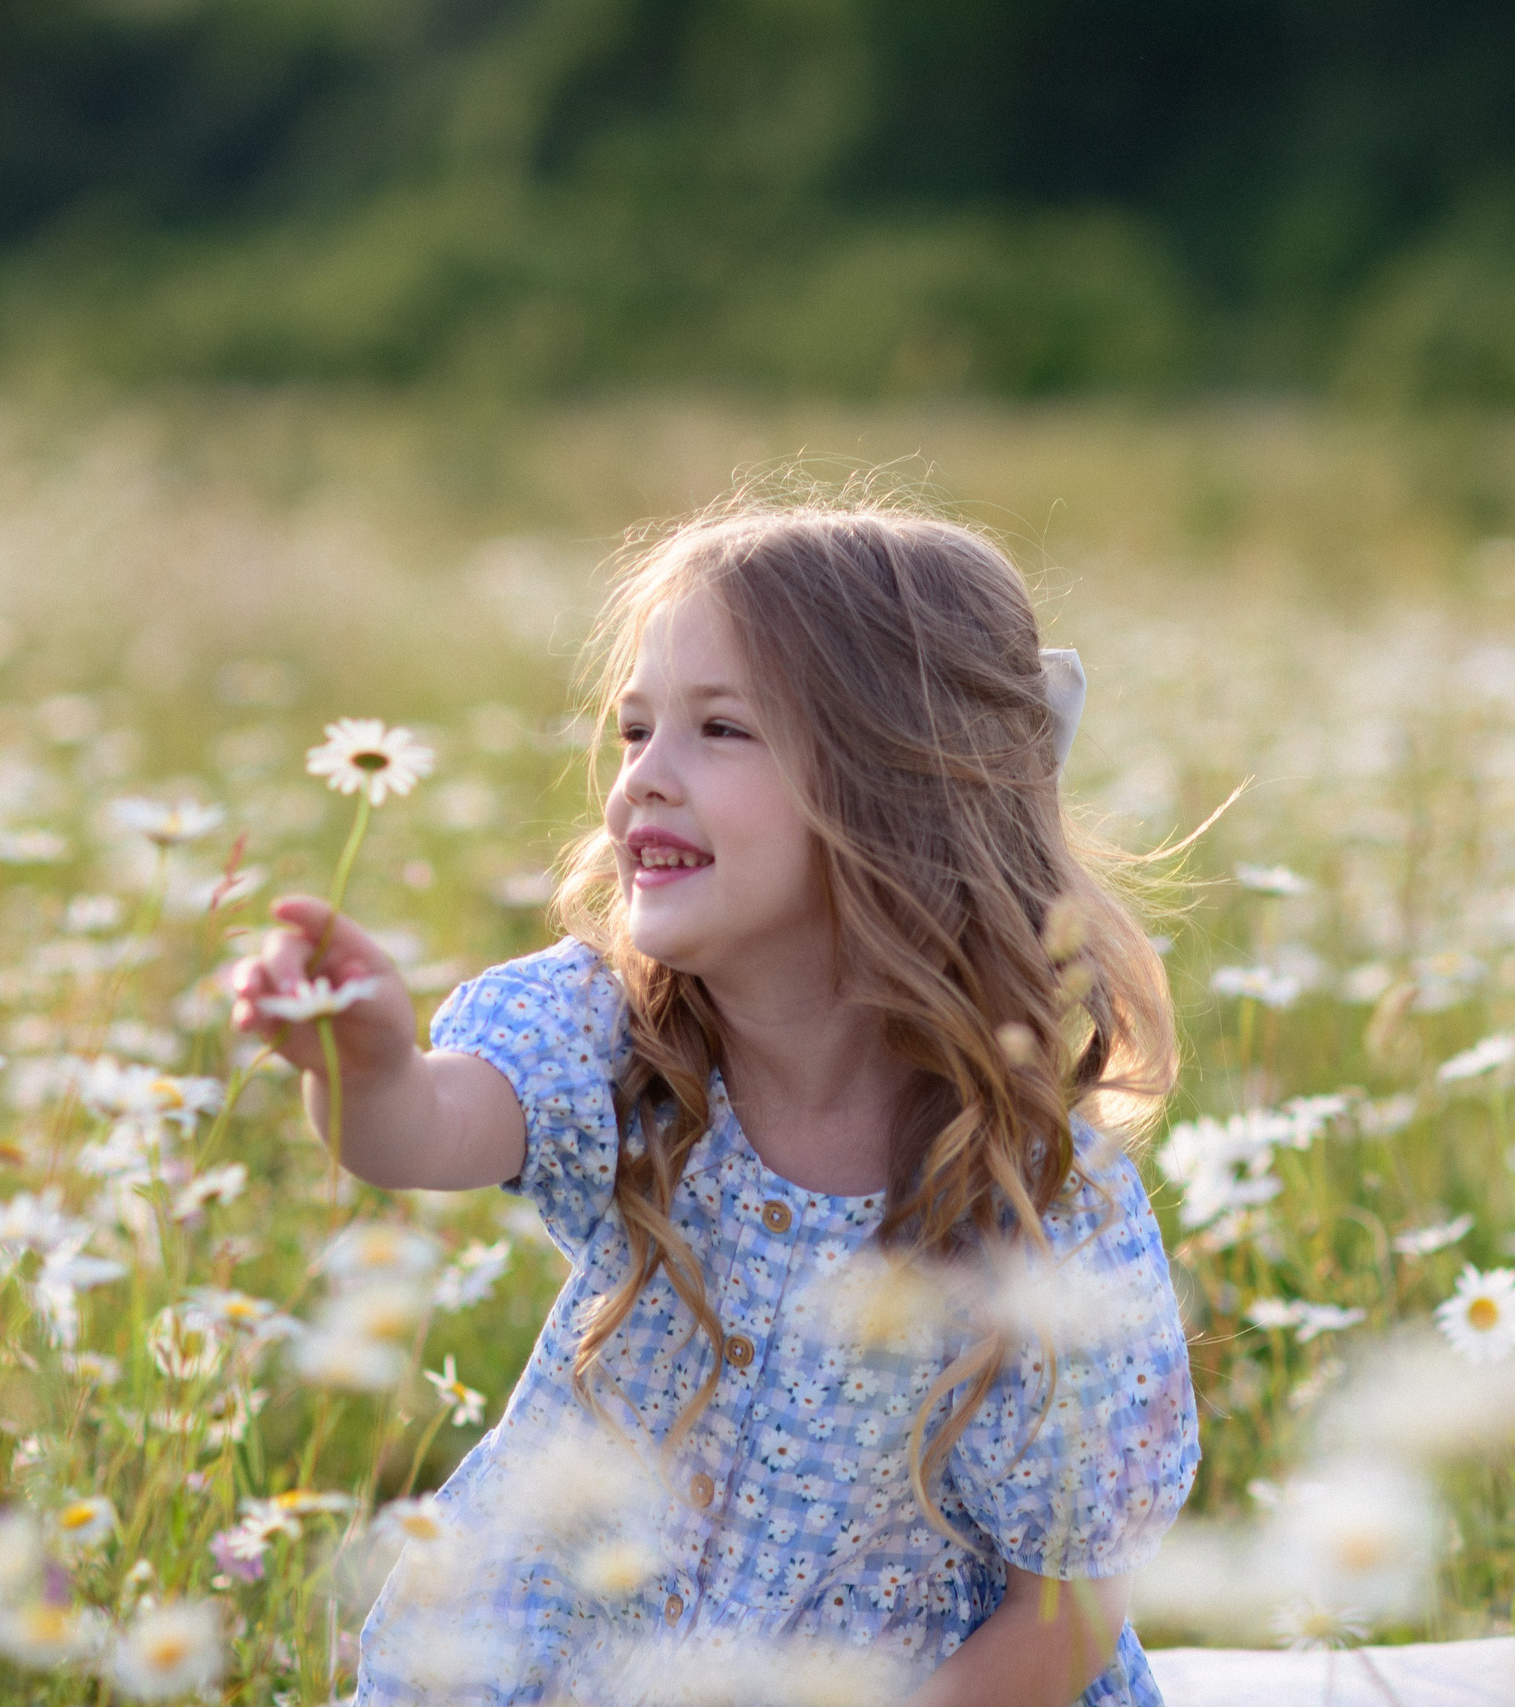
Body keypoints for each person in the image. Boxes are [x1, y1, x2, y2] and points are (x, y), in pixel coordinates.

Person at [230, 500, 1200, 1706]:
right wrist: (365, 1071)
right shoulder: (618, 1040)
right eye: (634, 728)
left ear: (901, 796)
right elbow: (426, 1129)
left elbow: (1068, 1600)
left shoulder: (1042, 1203)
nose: (643, 777)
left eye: (720, 729)